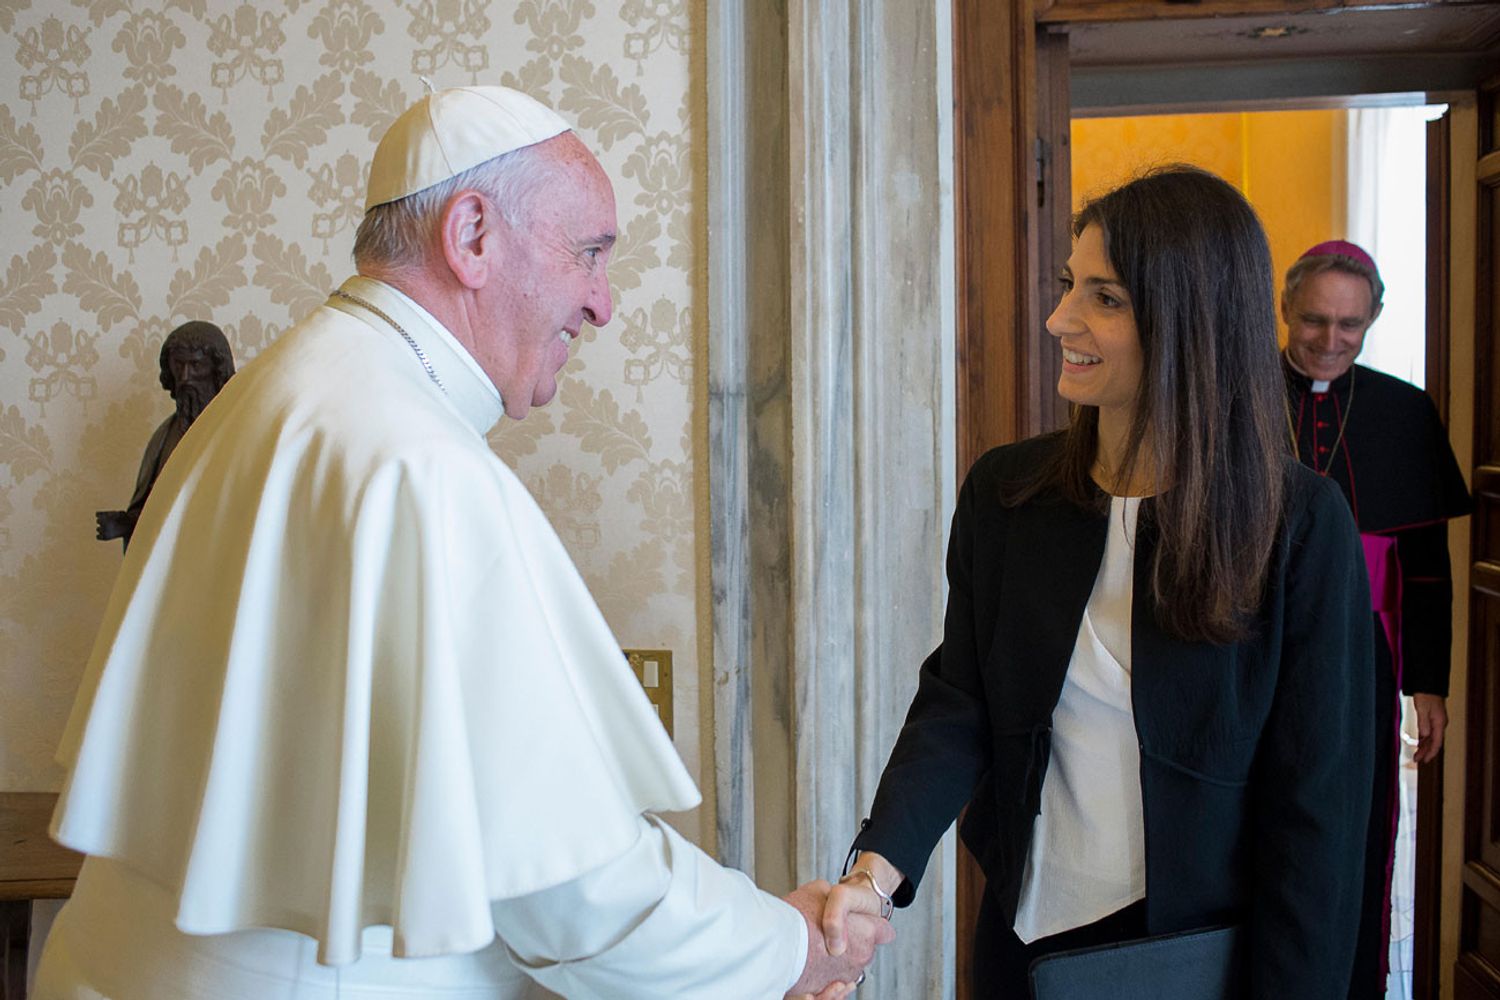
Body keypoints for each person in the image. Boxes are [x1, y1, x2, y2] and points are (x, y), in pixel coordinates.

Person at [36, 85, 891, 1000]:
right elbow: (571, 890)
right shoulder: (417, 462)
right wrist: (787, 947)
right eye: (590, 254)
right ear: (473, 234)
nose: (602, 304)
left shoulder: (273, 394)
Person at [817, 167, 1375, 997]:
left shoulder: (1298, 523)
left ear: (1191, 320)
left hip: (1193, 956)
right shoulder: (1009, 493)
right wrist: (870, 878)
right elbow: (959, 701)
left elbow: (1318, 814)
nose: (1060, 320)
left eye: (1104, 298)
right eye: (1070, 285)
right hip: (1020, 940)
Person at [1279, 240, 1471, 997]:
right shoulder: (1234, 396)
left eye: (1350, 326)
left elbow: (1426, 564)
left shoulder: (1402, 410)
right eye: (1315, 320)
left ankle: (1351, 977)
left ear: (1375, 319)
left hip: (1365, 656)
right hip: (1251, 645)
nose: (1331, 340)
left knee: (1356, 822)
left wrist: (1429, 684)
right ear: (1286, 311)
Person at [94, 320, 235, 551]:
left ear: (217, 368)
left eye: (196, 365)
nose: (186, 376)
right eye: (179, 365)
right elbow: (158, 506)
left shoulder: (238, 432)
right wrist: (127, 523)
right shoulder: (164, 436)